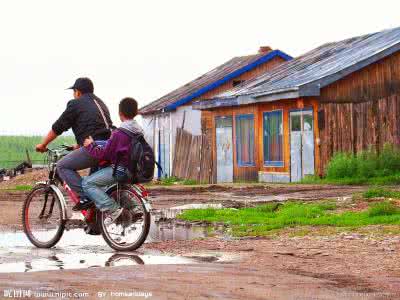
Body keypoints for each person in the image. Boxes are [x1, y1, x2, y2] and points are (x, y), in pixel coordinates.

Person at [35, 77, 113, 211]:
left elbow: (58, 127)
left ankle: (85, 197)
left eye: (74, 91)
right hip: (109, 146)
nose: (73, 94)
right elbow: (97, 130)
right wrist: (76, 147)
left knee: (62, 165)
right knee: (94, 184)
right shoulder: (100, 103)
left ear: (77, 92)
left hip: (95, 148)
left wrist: (43, 144)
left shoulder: (76, 104)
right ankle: (96, 222)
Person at [81, 97, 144, 224]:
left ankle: (112, 209)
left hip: (121, 171)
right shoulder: (140, 131)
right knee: (109, 183)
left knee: (88, 183)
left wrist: (91, 145)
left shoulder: (119, 133)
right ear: (136, 113)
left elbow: (103, 155)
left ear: (120, 114)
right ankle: (135, 207)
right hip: (136, 171)